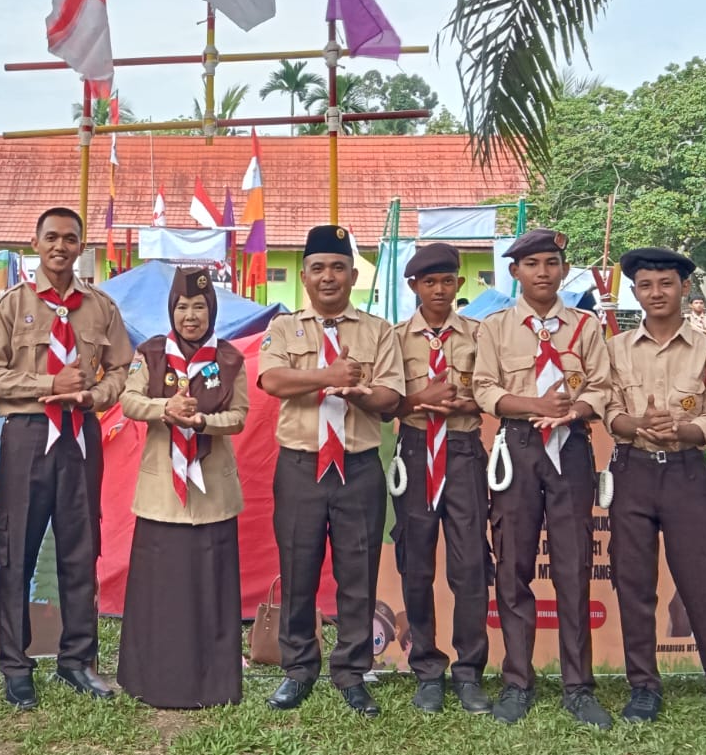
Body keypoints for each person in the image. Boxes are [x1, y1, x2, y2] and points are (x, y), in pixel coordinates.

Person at [0, 207, 133, 710]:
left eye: (70, 238)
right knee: (15, 550)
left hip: (80, 437)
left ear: (80, 246)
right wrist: (49, 384)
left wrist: (94, 395)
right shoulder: (10, 305)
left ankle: (77, 661)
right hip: (27, 436)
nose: (61, 246)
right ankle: (16, 667)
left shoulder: (100, 307)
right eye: (52, 238)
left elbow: (123, 368)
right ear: (36, 243)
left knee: (81, 549)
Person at [257, 225, 404, 716]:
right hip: (301, 465)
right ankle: (299, 670)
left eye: (338, 267)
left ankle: (352, 671)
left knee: (358, 572)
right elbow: (273, 380)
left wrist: (361, 391)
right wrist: (329, 377)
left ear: (353, 274)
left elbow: (392, 399)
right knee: (298, 568)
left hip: (359, 466)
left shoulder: (377, 330)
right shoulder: (284, 328)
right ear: (304, 276)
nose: (328, 277)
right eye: (318, 268)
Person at [473, 228, 613, 729]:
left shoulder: (586, 327)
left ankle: (578, 686)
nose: (543, 272)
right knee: (513, 566)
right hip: (519, 446)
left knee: (573, 567)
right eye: (532, 264)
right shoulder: (495, 328)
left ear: (563, 268)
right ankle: (517, 681)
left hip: (571, 446)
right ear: (515, 272)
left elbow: (602, 386)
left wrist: (573, 410)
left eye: (552, 263)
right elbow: (484, 389)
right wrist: (536, 405)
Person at [603, 248, 706, 733]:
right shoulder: (616, 349)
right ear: (635, 291)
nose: (656, 293)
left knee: (705, 585)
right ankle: (643, 686)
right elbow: (609, 412)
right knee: (634, 583)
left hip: (687, 473)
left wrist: (682, 431)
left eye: (666, 283)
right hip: (633, 472)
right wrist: (637, 424)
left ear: (685, 287)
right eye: (646, 285)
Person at [117, 267, 250, 708]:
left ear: (211, 310)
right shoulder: (151, 353)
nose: (190, 315)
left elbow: (240, 416)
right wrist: (166, 408)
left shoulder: (229, 358)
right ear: (171, 310)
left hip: (211, 493)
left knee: (210, 589)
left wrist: (203, 421)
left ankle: (213, 686)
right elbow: (129, 400)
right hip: (161, 495)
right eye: (181, 306)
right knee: (161, 591)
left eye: (198, 306)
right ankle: (152, 680)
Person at [390, 243, 492, 716]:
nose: (439, 290)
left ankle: (469, 672)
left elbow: (492, 394)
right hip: (414, 453)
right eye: (429, 282)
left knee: (470, 564)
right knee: (417, 564)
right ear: (413, 286)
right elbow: (387, 402)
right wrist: (419, 399)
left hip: (463, 451)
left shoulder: (478, 334)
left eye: (447, 281)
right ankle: (427, 669)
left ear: (458, 284)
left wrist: (464, 404)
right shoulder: (394, 339)